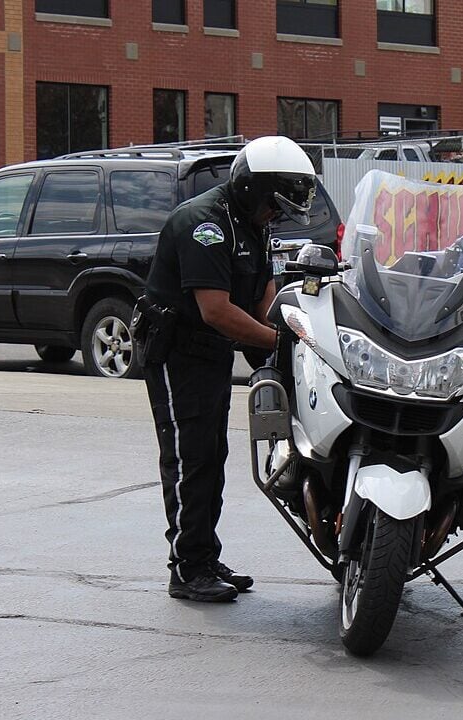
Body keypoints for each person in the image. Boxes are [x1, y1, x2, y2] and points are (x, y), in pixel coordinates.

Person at [139, 136, 317, 602]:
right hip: (179, 353)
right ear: (250, 190)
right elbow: (215, 309)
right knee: (189, 459)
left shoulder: (254, 224)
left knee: (212, 457)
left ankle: (204, 553)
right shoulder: (204, 225)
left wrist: (285, 327)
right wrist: (281, 341)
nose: (276, 216)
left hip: (213, 351)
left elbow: (265, 289)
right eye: (273, 207)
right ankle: (187, 569)